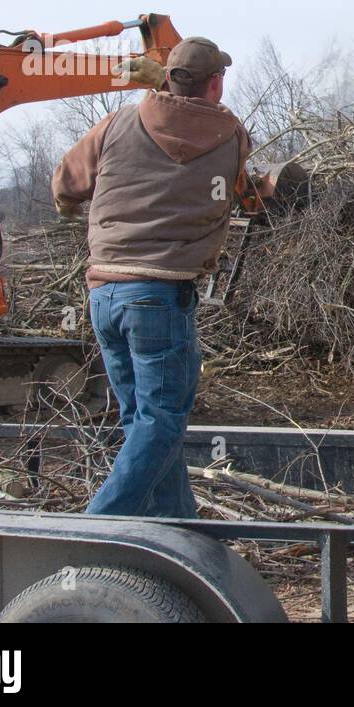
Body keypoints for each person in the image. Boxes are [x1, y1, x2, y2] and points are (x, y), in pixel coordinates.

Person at [52, 37, 250, 518]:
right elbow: (242, 194)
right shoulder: (231, 134)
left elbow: (65, 184)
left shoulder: (117, 123)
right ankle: (96, 527)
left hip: (104, 294)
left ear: (167, 78)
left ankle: (177, 526)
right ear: (216, 83)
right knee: (161, 422)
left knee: (141, 420)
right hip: (159, 296)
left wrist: (69, 205)